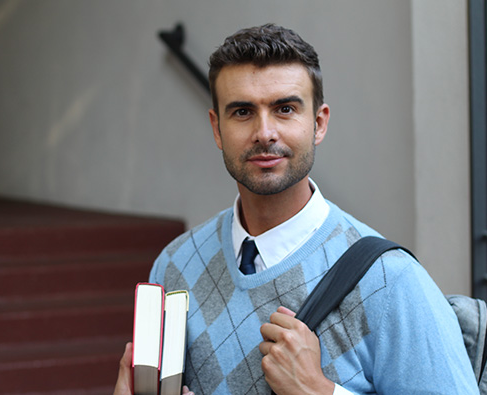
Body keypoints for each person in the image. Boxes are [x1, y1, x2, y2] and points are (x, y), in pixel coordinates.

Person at [114, 24, 478, 394]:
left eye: (285, 108)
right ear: (217, 129)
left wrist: (320, 391)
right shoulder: (175, 266)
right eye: (242, 112)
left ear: (318, 124)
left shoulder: (390, 282)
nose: (265, 132)